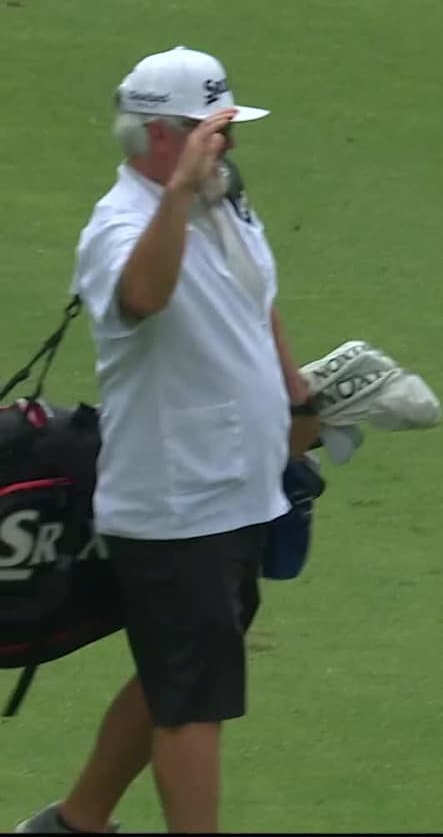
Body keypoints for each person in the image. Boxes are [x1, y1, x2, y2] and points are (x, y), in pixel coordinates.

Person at [15, 46, 321, 834]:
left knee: (177, 674)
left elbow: (262, 305)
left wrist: (301, 409)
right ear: (162, 137)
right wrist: (181, 193)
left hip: (239, 488)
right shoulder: (120, 227)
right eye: (213, 131)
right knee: (192, 700)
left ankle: (75, 824)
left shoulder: (225, 202)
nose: (229, 144)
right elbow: (143, 298)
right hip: (179, 502)